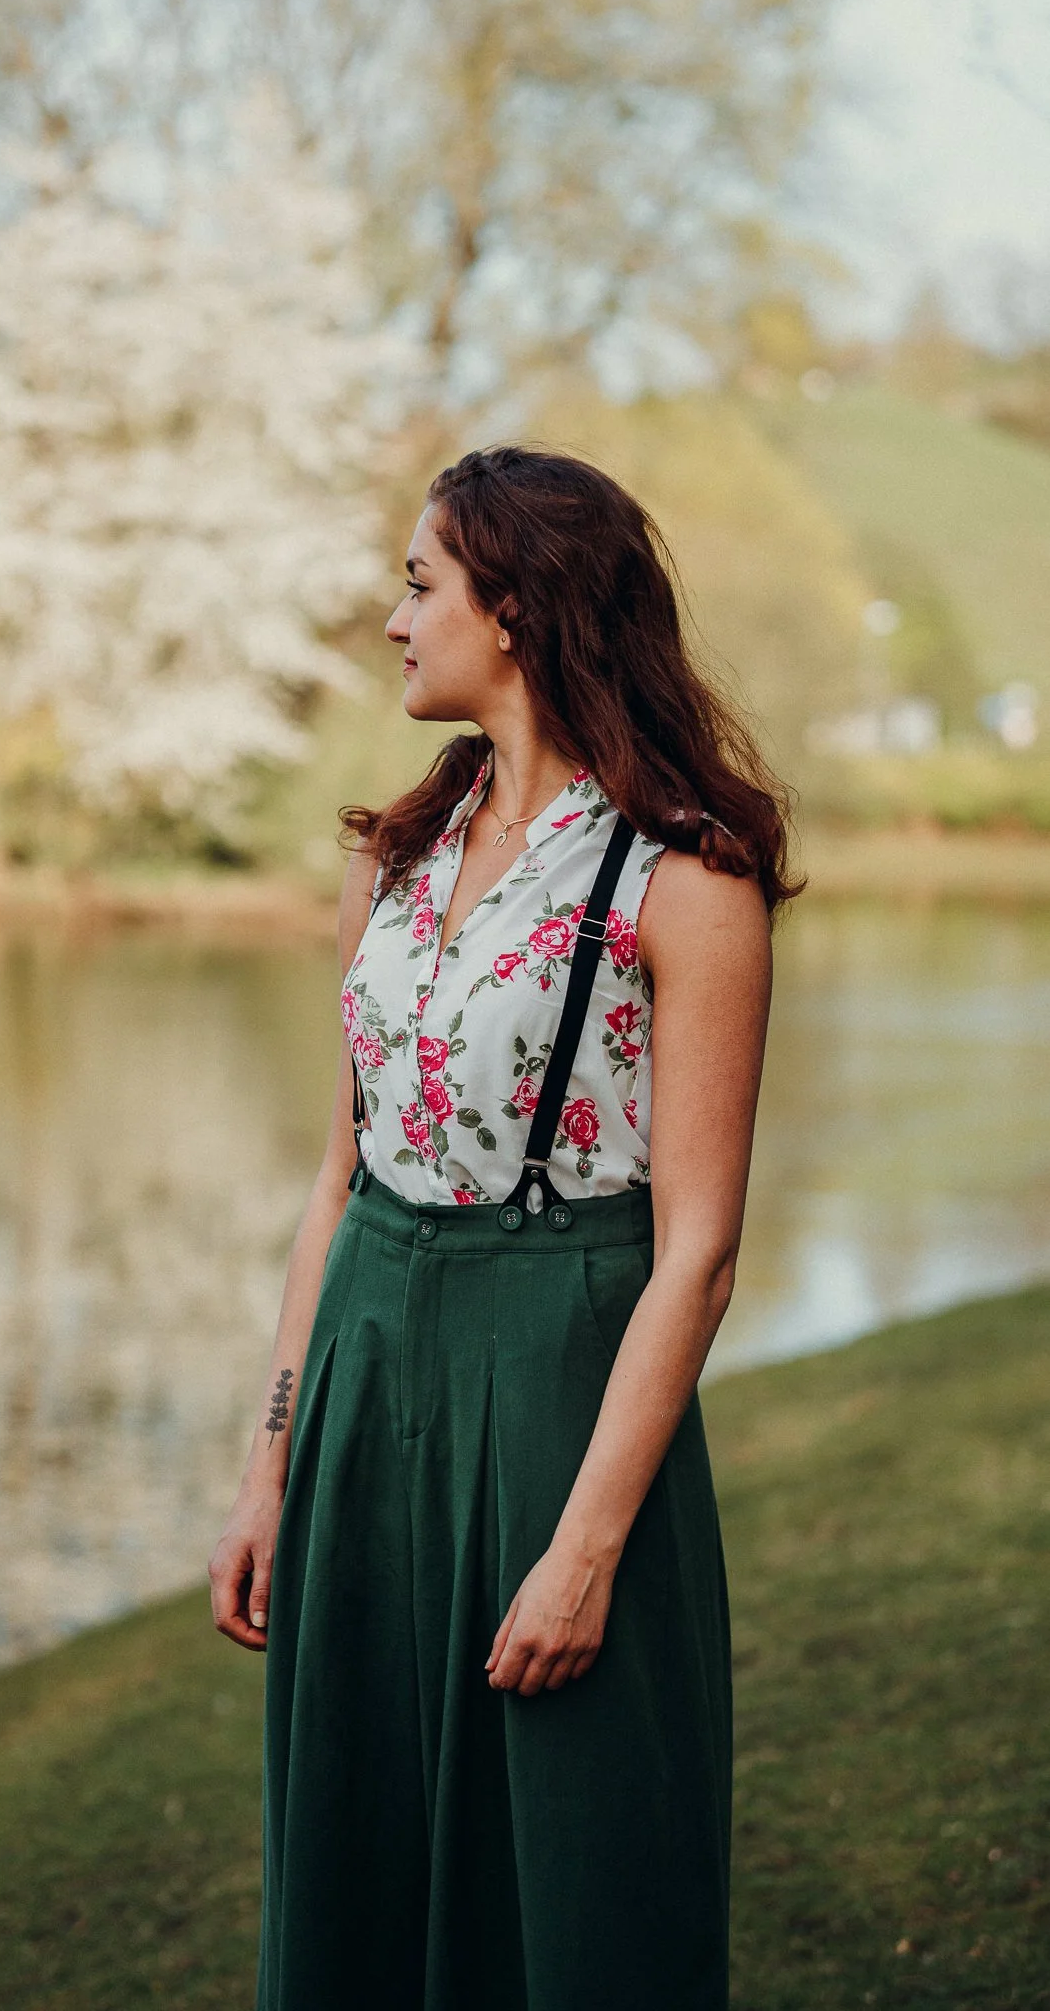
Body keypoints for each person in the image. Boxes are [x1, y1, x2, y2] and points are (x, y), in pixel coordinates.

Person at [208, 443, 793, 2011]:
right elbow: (336, 1178)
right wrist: (273, 1460)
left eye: (420, 583)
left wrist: (589, 1547)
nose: (395, 618)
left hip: (558, 1391)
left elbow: (701, 1248)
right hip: (370, 1376)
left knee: (578, 1866)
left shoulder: (687, 878)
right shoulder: (389, 864)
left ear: (517, 608)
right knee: (360, 1849)